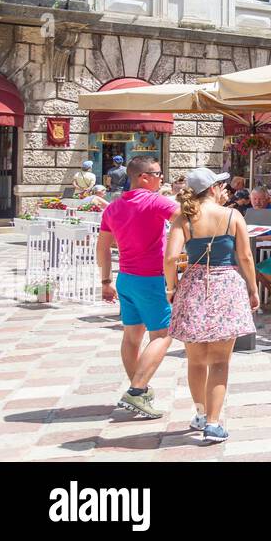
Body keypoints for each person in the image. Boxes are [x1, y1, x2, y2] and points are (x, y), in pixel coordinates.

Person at [166, 167, 258, 443]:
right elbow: (245, 257)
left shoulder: (183, 217)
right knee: (220, 361)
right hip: (226, 285)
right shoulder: (233, 215)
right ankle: (214, 423)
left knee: (195, 360)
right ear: (214, 189)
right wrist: (253, 289)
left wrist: (171, 287)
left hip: (193, 284)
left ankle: (200, 412)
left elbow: (170, 258)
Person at [96, 155, 182, 419]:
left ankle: (139, 390)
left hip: (126, 278)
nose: (161, 178)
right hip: (150, 279)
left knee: (132, 336)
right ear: (143, 177)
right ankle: (136, 391)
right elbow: (186, 215)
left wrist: (106, 281)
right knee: (164, 335)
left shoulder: (112, 207)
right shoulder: (155, 201)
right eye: (158, 174)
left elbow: (102, 247)